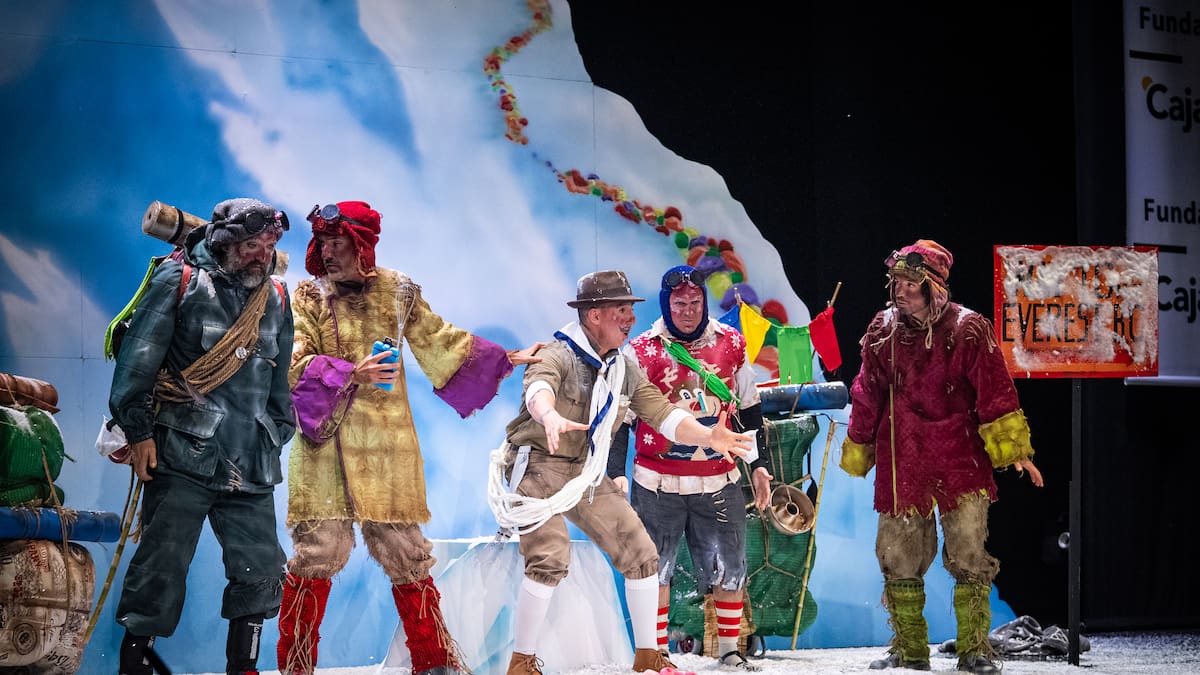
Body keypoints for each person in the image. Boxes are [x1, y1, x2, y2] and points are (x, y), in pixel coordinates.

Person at [279, 201, 542, 675]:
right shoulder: (308, 298)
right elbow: (292, 363)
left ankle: (434, 664)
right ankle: (295, 668)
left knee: (407, 554)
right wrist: (348, 373)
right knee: (317, 554)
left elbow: (439, 341)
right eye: (323, 242)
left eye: (339, 242)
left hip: (387, 447)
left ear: (363, 246)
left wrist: (506, 358)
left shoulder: (397, 291)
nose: (329, 252)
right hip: (324, 449)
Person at [492, 270, 756, 675]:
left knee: (641, 553)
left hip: (586, 470)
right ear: (594, 315)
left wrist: (710, 437)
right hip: (541, 464)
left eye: (631, 310)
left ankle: (649, 658)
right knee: (550, 557)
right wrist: (548, 416)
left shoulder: (622, 366)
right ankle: (521, 662)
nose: (630, 319)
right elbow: (538, 388)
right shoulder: (557, 353)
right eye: (621, 310)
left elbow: (661, 413)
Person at [839, 239, 1044, 674]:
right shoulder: (883, 330)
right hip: (904, 458)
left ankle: (973, 651)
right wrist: (859, 446)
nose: (899, 290)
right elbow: (866, 392)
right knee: (897, 555)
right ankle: (910, 650)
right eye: (895, 282)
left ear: (933, 286)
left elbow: (995, 391)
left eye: (910, 284)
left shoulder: (969, 328)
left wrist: (1015, 453)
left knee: (969, 553)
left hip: (959, 458)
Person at [108, 198, 294, 675]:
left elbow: (279, 385)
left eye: (269, 245)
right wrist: (140, 432)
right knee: (160, 566)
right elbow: (138, 365)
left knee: (262, 568)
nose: (262, 254)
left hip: (252, 457)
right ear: (227, 241)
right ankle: (136, 665)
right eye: (252, 244)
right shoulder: (181, 282)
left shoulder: (276, 298)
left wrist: (277, 433)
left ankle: (243, 668)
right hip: (180, 453)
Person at [607, 264, 772, 671]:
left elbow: (749, 408)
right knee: (653, 567)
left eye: (695, 302)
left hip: (719, 479)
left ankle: (731, 651)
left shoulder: (732, 343)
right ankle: (656, 653)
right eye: (679, 303)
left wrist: (760, 465)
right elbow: (620, 420)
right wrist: (615, 474)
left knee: (729, 564)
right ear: (667, 303)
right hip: (656, 480)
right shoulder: (640, 351)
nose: (688, 310)